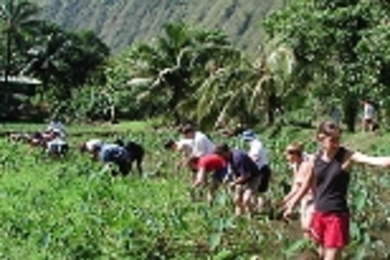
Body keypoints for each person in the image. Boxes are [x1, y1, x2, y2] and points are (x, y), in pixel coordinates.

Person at [282, 120, 390, 260]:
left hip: (336, 216)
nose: (336, 144)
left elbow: (377, 161)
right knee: (321, 255)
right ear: (320, 138)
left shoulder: (346, 156)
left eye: (338, 139)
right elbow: (306, 185)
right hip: (319, 213)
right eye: (332, 140)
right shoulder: (315, 159)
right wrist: (291, 205)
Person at [215, 143, 267, 217]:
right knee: (237, 199)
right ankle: (239, 216)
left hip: (253, 178)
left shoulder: (238, 158)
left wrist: (234, 183)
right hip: (240, 178)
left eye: (220, 154)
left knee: (246, 199)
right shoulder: (227, 157)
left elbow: (246, 175)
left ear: (225, 152)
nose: (220, 157)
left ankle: (251, 216)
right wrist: (227, 177)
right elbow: (230, 167)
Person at [282, 142, 314, 238]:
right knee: (305, 228)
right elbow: (296, 186)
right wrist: (286, 199)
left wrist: (292, 204)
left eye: (287, 154)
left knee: (308, 227)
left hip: (313, 198)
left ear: (294, 154)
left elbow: (304, 187)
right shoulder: (295, 165)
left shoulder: (307, 165)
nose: (286, 157)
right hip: (304, 199)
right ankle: (310, 250)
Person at [241, 130, 271, 211]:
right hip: (262, 169)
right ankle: (260, 210)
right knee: (257, 193)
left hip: (261, 170)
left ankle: (261, 211)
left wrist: (247, 168)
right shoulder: (255, 144)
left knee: (258, 192)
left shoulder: (256, 145)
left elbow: (255, 158)